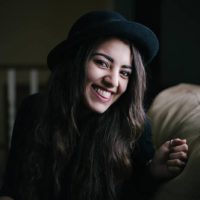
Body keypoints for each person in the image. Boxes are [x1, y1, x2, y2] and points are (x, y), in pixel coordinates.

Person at [0, 10, 188, 200]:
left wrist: (152, 172)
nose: (113, 81)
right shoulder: (34, 110)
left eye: (125, 73)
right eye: (102, 63)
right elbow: (12, 187)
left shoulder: (135, 127)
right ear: (75, 62)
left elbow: (134, 193)